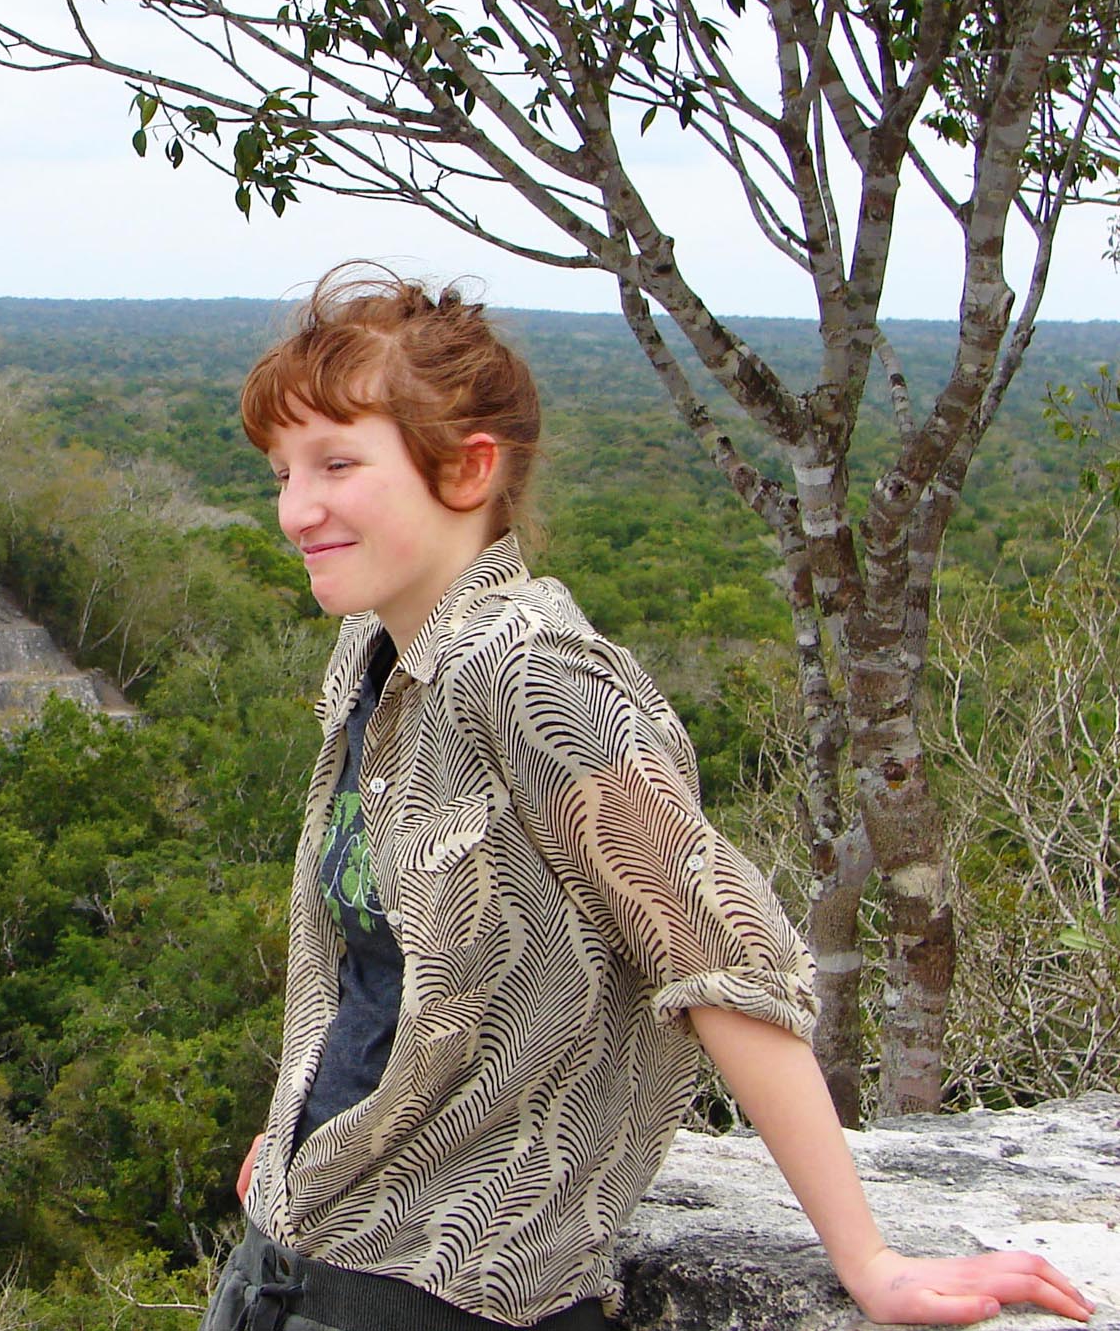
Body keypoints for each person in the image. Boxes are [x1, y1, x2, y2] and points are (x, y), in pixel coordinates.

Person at [206, 265, 1094, 1331]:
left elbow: (721, 959)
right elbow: (376, 975)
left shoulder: (534, 675)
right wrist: (300, 1132)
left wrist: (870, 1260)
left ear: (468, 468)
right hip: (295, 1257)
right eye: (281, 471)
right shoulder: (376, 660)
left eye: (336, 464)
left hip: (442, 1295)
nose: (294, 510)